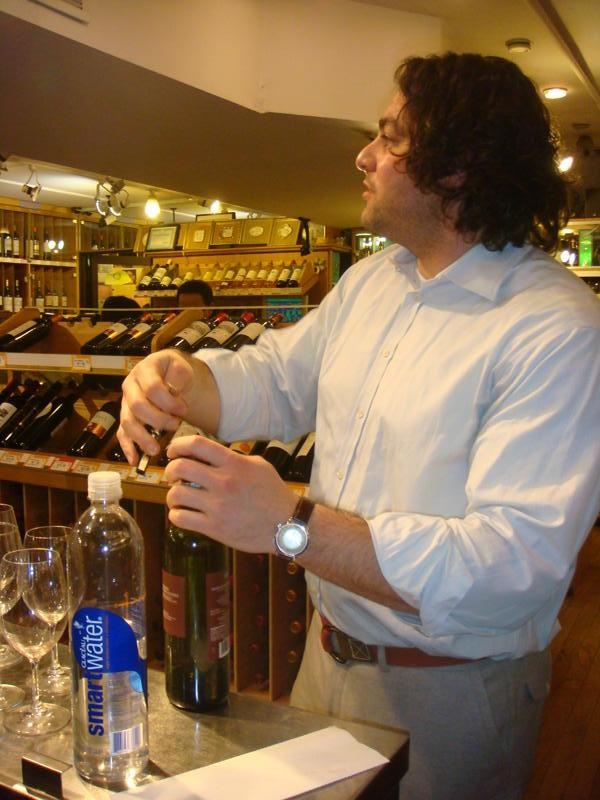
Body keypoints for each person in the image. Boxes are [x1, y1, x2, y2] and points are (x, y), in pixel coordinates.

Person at [118, 52, 600, 800]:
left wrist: (292, 526)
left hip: (453, 692)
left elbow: (510, 570)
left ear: (457, 168)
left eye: (390, 136)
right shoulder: (374, 281)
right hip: (324, 661)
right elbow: (277, 377)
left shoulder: (555, 327)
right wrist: (178, 377)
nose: (364, 156)